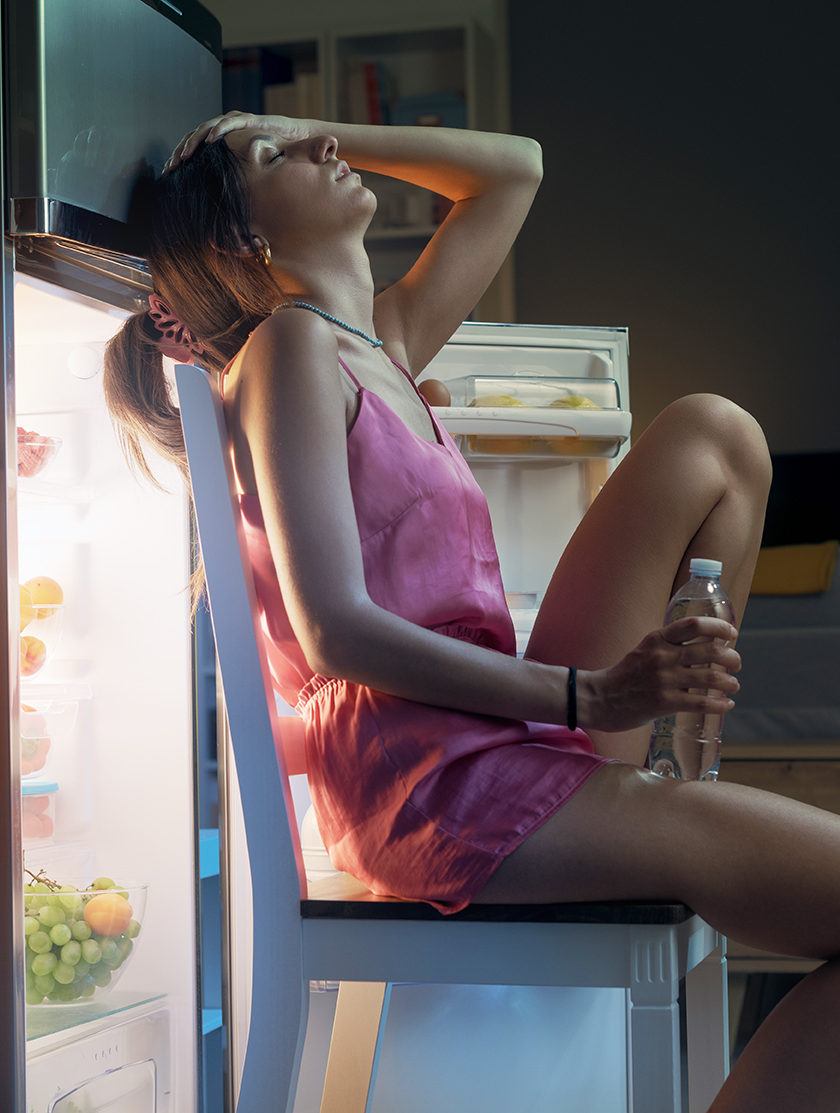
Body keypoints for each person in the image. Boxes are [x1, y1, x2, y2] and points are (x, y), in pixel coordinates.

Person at [104, 111, 840, 1111]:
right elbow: (335, 631)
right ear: (246, 244)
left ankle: (679, 759)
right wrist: (587, 694)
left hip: (501, 740)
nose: (324, 152)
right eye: (278, 159)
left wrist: (313, 126)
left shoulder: (381, 344)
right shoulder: (286, 351)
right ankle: (666, 788)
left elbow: (512, 172)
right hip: (430, 786)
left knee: (713, 436)